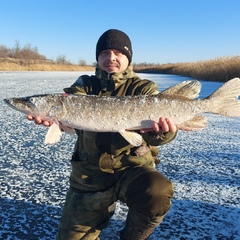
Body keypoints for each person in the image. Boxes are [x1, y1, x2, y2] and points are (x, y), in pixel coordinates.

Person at [28, 29, 177, 240]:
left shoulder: (143, 88)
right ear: (98, 58)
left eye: (118, 53)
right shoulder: (85, 84)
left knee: (157, 191)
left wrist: (164, 133)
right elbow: (71, 102)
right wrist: (57, 122)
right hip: (89, 175)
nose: (111, 58)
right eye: (105, 53)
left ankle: (132, 236)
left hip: (132, 168)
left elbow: (155, 137)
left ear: (128, 58)